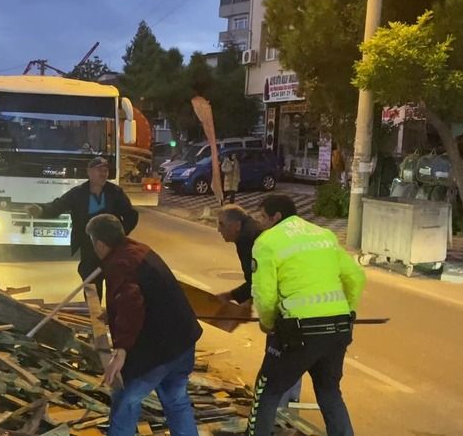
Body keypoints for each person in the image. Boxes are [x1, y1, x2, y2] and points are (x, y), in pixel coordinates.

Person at [247, 194, 365, 436]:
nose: (260, 223)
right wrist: (348, 310)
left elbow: (264, 293)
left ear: (276, 217)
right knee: (329, 391)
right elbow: (356, 277)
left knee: (267, 391)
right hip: (339, 328)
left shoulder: (267, 241)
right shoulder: (324, 236)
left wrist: (267, 322)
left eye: (262, 217)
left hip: (298, 332)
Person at [86, 214, 202, 436]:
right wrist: (113, 317)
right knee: (176, 400)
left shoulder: (121, 263)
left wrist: (121, 349)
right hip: (183, 342)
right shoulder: (138, 250)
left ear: (99, 243)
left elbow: (131, 302)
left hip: (158, 349)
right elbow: (144, 297)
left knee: (126, 400)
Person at [215, 204, 303, 409]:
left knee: (277, 357)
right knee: (295, 353)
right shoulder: (248, 233)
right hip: (294, 299)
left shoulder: (249, 239)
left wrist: (261, 316)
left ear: (236, 225)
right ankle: (289, 400)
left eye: (221, 224)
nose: (218, 229)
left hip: (285, 301)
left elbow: (259, 280)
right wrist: (237, 297)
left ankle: (273, 411)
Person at [27, 156, 138, 300]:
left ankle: (112, 319)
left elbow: (131, 215)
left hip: (111, 250)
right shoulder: (78, 193)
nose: (103, 173)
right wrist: (41, 210)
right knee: (91, 286)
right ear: (89, 172)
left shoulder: (115, 193)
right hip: (89, 248)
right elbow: (58, 205)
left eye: (105, 170)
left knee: (115, 287)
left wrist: (119, 236)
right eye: (99, 170)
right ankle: (93, 317)